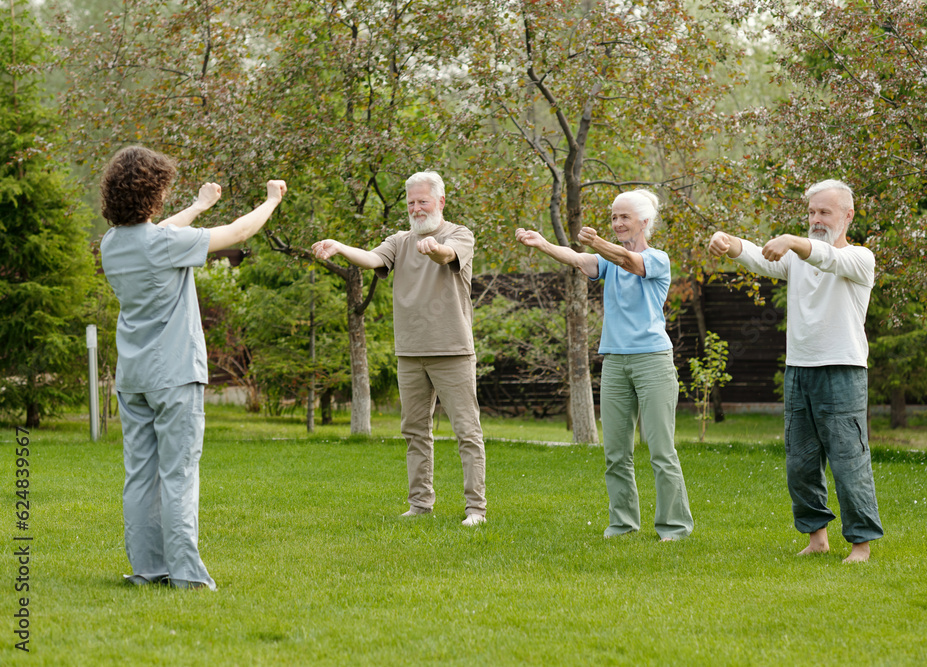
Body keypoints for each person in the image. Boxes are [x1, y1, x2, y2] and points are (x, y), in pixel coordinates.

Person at [100, 145, 287, 589]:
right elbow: (239, 233)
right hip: (175, 375)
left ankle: (148, 569)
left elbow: (161, 231)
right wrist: (272, 200)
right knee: (179, 474)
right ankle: (187, 576)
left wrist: (200, 205)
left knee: (141, 475)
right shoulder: (165, 244)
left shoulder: (112, 244)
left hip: (134, 379)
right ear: (151, 193)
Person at [708, 179, 884, 563]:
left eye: (825, 212)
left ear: (847, 216)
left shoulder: (860, 259)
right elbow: (756, 255)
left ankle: (861, 544)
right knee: (800, 463)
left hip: (843, 370)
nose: (816, 219)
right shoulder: (797, 258)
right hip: (798, 371)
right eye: (811, 212)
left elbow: (826, 257)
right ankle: (817, 537)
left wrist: (791, 239)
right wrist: (728, 242)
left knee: (848, 460)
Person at [515, 190, 694, 541]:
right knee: (615, 452)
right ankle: (622, 523)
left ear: (644, 222)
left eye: (624, 217)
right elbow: (579, 260)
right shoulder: (608, 260)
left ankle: (674, 527)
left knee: (661, 450)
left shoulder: (658, 259)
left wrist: (597, 241)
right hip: (614, 361)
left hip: (653, 361)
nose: (617, 223)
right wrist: (544, 244)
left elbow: (631, 262)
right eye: (614, 217)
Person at [311, 171, 487, 527]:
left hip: (451, 349)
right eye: (411, 203)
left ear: (440, 201)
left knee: (467, 432)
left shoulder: (459, 234)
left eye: (423, 201)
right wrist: (340, 247)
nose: (416, 208)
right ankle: (420, 504)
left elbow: (448, 256)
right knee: (415, 432)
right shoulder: (400, 240)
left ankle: (476, 510)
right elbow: (373, 259)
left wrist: (436, 249)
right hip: (409, 351)